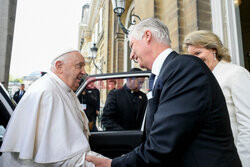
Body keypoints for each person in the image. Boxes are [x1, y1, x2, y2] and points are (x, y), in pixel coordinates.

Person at [86, 18, 242, 166]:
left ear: (147, 36)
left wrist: (114, 164)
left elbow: (163, 143)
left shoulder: (183, 68)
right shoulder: (166, 72)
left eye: (132, 46)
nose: (132, 55)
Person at [0, 49, 104, 166]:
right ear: (59, 66)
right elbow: (65, 157)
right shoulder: (49, 93)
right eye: (79, 66)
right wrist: (108, 164)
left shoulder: (61, 89)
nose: (84, 72)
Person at [183, 30, 250, 167]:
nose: (195, 59)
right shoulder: (199, 81)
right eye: (191, 56)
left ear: (213, 50)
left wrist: (243, 162)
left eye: (198, 53)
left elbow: (247, 123)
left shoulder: (236, 73)